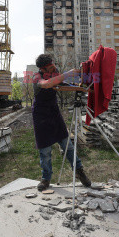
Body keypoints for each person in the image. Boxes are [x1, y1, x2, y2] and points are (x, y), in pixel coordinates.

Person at [31, 54, 91, 191]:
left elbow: (66, 85)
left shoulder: (54, 75)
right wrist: (67, 74)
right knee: (45, 151)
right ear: (43, 68)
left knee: (67, 145)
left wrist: (81, 84)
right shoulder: (37, 78)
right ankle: (46, 179)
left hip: (54, 113)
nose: (53, 68)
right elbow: (47, 84)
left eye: (53, 65)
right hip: (40, 116)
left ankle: (80, 171)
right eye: (50, 67)